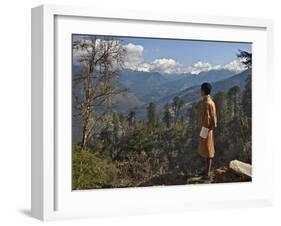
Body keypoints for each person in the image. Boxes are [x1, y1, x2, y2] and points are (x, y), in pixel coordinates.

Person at [197, 82, 217, 179]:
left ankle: (207, 173)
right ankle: (206, 171)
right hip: (208, 130)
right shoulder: (209, 101)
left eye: (201, 90)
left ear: (203, 91)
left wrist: (203, 132)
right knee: (206, 150)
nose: (200, 91)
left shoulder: (207, 103)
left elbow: (207, 120)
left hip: (206, 130)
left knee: (208, 151)